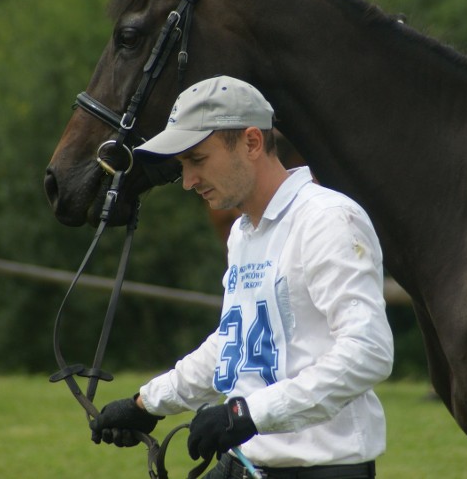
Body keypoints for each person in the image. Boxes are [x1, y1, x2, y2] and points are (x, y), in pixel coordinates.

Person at [89, 75, 394, 479]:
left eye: (197, 160)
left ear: (252, 142)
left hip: (320, 469)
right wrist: (147, 404)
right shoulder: (244, 232)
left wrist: (247, 414)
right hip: (245, 465)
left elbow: (368, 351)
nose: (187, 181)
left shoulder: (327, 220)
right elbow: (235, 342)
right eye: (183, 165)